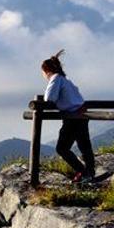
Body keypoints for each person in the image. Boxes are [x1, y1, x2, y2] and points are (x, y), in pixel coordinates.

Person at [42, 50, 94, 183]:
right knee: (84, 146)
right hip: (81, 115)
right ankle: (90, 173)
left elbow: (49, 98)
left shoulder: (56, 79)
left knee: (62, 148)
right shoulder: (65, 80)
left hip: (72, 117)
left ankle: (83, 171)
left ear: (46, 70)